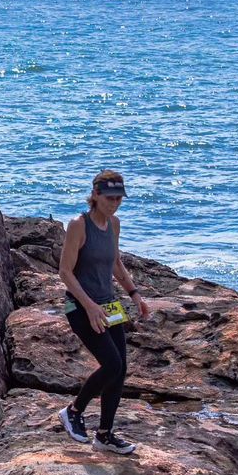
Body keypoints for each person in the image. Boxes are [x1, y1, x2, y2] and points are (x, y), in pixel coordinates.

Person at [57, 170, 151, 453]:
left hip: (109, 304)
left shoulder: (114, 224)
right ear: (95, 195)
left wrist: (135, 294)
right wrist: (89, 306)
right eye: (110, 198)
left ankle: (105, 435)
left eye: (119, 199)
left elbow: (116, 263)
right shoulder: (79, 225)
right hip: (80, 306)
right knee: (111, 364)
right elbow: (65, 272)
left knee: (120, 370)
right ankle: (73, 411)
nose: (115, 204)